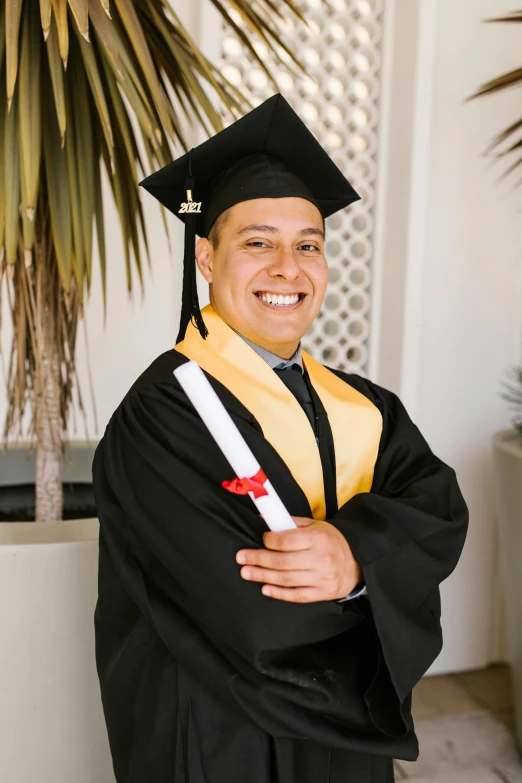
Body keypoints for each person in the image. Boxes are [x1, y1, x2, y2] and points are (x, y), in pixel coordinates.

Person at [92, 93, 469, 783]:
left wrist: (356, 556)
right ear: (206, 258)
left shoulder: (364, 404)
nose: (287, 268)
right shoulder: (166, 413)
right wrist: (379, 587)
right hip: (218, 737)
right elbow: (252, 610)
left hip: (348, 751)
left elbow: (440, 507)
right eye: (258, 242)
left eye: (308, 245)